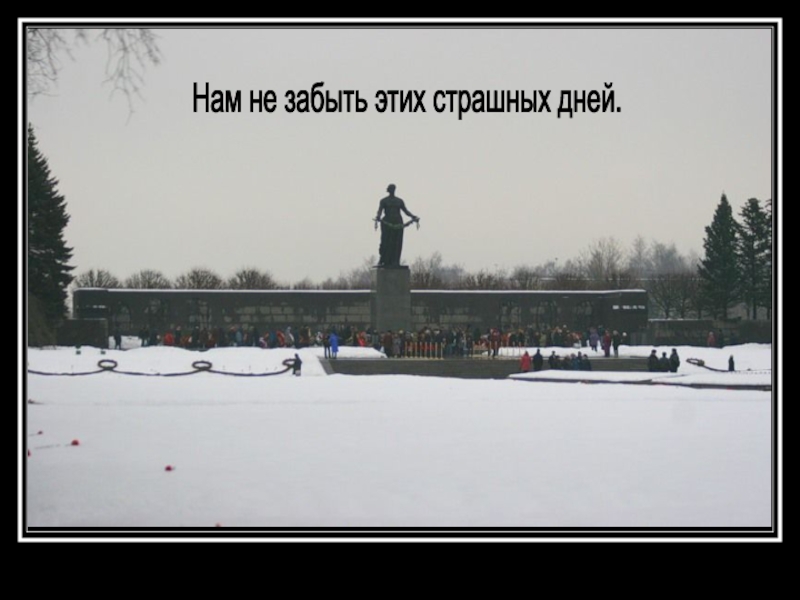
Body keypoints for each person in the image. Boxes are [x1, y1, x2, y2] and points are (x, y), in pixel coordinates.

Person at [374, 184, 419, 267]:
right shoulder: (384, 201)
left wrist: (413, 216)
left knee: (397, 242)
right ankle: (383, 259)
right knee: (386, 241)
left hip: (398, 223)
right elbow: (379, 210)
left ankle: (395, 261)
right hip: (387, 223)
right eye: (390, 189)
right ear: (388, 190)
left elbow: (405, 211)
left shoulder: (399, 201)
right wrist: (378, 217)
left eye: (393, 189)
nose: (392, 190)